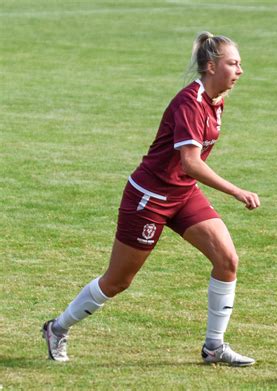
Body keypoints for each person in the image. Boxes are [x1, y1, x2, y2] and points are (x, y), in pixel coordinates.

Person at [42, 31, 260, 366]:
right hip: (150, 198)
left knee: (227, 260)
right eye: (233, 63)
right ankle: (57, 328)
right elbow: (190, 161)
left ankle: (214, 346)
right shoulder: (191, 101)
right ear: (211, 66)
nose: (240, 70)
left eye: (240, 64)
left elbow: (186, 169)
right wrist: (236, 190)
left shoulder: (216, 101)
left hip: (183, 194)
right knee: (117, 281)